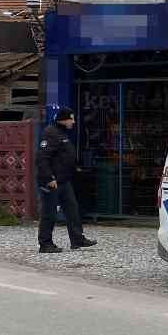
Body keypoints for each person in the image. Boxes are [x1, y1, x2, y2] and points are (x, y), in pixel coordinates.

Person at [36, 107, 97, 254]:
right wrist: (49, 178)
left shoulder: (61, 133)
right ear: (63, 120)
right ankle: (45, 244)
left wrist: (74, 168)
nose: (74, 122)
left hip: (63, 180)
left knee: (72, 210)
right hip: (52, 181)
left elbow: (63, 156)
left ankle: (77, 239)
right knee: (49, 213)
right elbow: (42, 158)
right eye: (72, 119)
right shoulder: (50, 132)